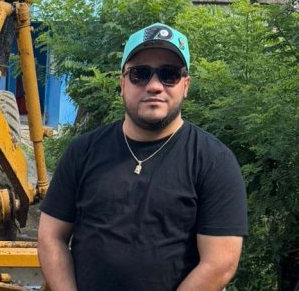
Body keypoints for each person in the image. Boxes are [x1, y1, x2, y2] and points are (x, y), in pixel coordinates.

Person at [37, 23, 247, 291]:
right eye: (140, 74)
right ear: (122, 83)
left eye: (169, 74)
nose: (155, 86)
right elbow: (50, 236)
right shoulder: (84, 151)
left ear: (185, 85)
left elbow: (220, 262)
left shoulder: (214, 161)